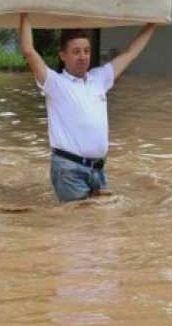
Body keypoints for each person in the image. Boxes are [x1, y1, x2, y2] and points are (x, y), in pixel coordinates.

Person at [18, 14, 157, 202]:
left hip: (97, 169)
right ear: (62, 55)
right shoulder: (55, 83)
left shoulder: (100, 78)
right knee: (80, 223)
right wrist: (24, 13)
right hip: (68, 169)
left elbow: (130, 53)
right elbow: (28, 51)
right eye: (76, 52)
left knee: (97, 223)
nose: (83, 57)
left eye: (86, 51)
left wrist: (153, 24)